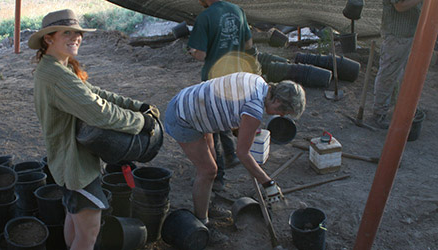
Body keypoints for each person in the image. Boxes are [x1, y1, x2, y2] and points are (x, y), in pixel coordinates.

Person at [28, 9, 159, 249]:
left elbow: (95, 93)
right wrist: (141, 122)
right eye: (67, 32)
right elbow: (99, 112)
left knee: (74, 217)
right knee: (89, 233)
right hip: (75, 167)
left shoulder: (56, 68)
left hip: (65, 162)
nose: (76, 37)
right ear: (49, 38)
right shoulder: (56, 75)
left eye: (77, 33)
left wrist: (136, 106)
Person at [163, 72, 305, 239]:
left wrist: (242, 128)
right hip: (183, 117)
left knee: (212, 163)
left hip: (194, 104)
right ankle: (202, 222)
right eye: (284, 112)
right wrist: (268, 183)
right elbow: (243, 154)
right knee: (208, 170)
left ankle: (205, 205)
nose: (281, 116)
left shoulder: (258, 81)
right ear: (277, 101)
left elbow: (231, 101)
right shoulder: (254, 109)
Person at [187, 0, 258, 191]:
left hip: (214, 80)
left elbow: (200, 54)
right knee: (227, 116)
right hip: (236, 76)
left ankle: (218, 177)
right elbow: (248, 43)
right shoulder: (238, 11)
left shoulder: (205, 17)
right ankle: (231, 154)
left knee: (211, 126)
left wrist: (193, 50)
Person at [371, 0, 422, 129]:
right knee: (388, 75)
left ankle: (399, 108)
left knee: (405, 75)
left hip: (411, 34)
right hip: (396, 36)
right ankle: (379, 113)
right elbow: (400, 6)